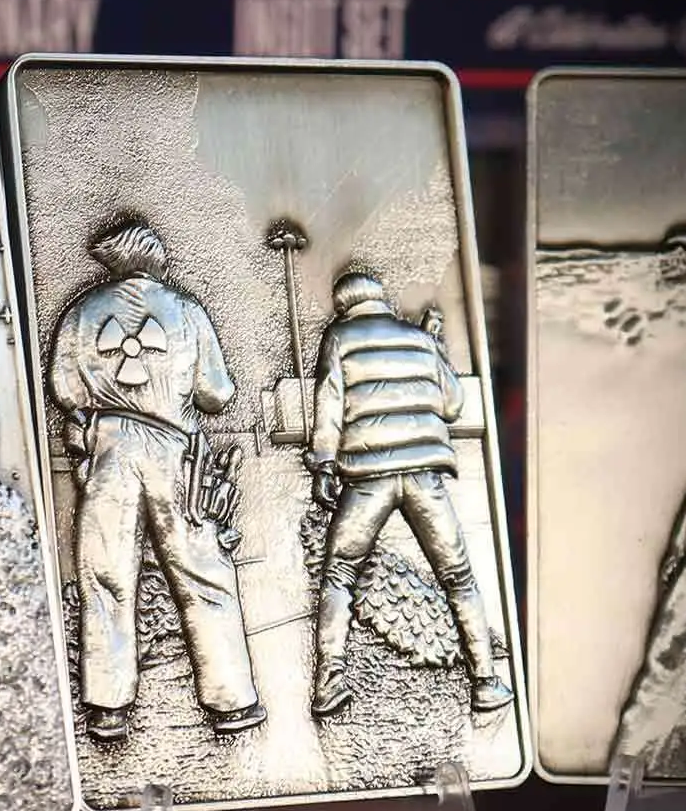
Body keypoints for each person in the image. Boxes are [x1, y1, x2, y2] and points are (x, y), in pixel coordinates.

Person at [48, 219, 266, 742]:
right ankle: (232, 701)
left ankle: (108, 707)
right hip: (175, 449)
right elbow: (217, 394)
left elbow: (64, 390)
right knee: (203, 574)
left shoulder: (81, 312)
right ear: (153, 259)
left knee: (105, 575)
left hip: (108, 451)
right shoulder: (186, 310)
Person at [305, 267, 514, 716]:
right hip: (424, 475)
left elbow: (330, 404)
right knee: (458, 576)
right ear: (381, 300)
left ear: (343, 306)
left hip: (368, 477)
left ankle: (329, 683)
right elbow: (452, 405)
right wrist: (434, 345)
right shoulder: (419, 340)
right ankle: (485, 681)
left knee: (340, 572)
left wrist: (323, 464)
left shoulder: (339, 337)